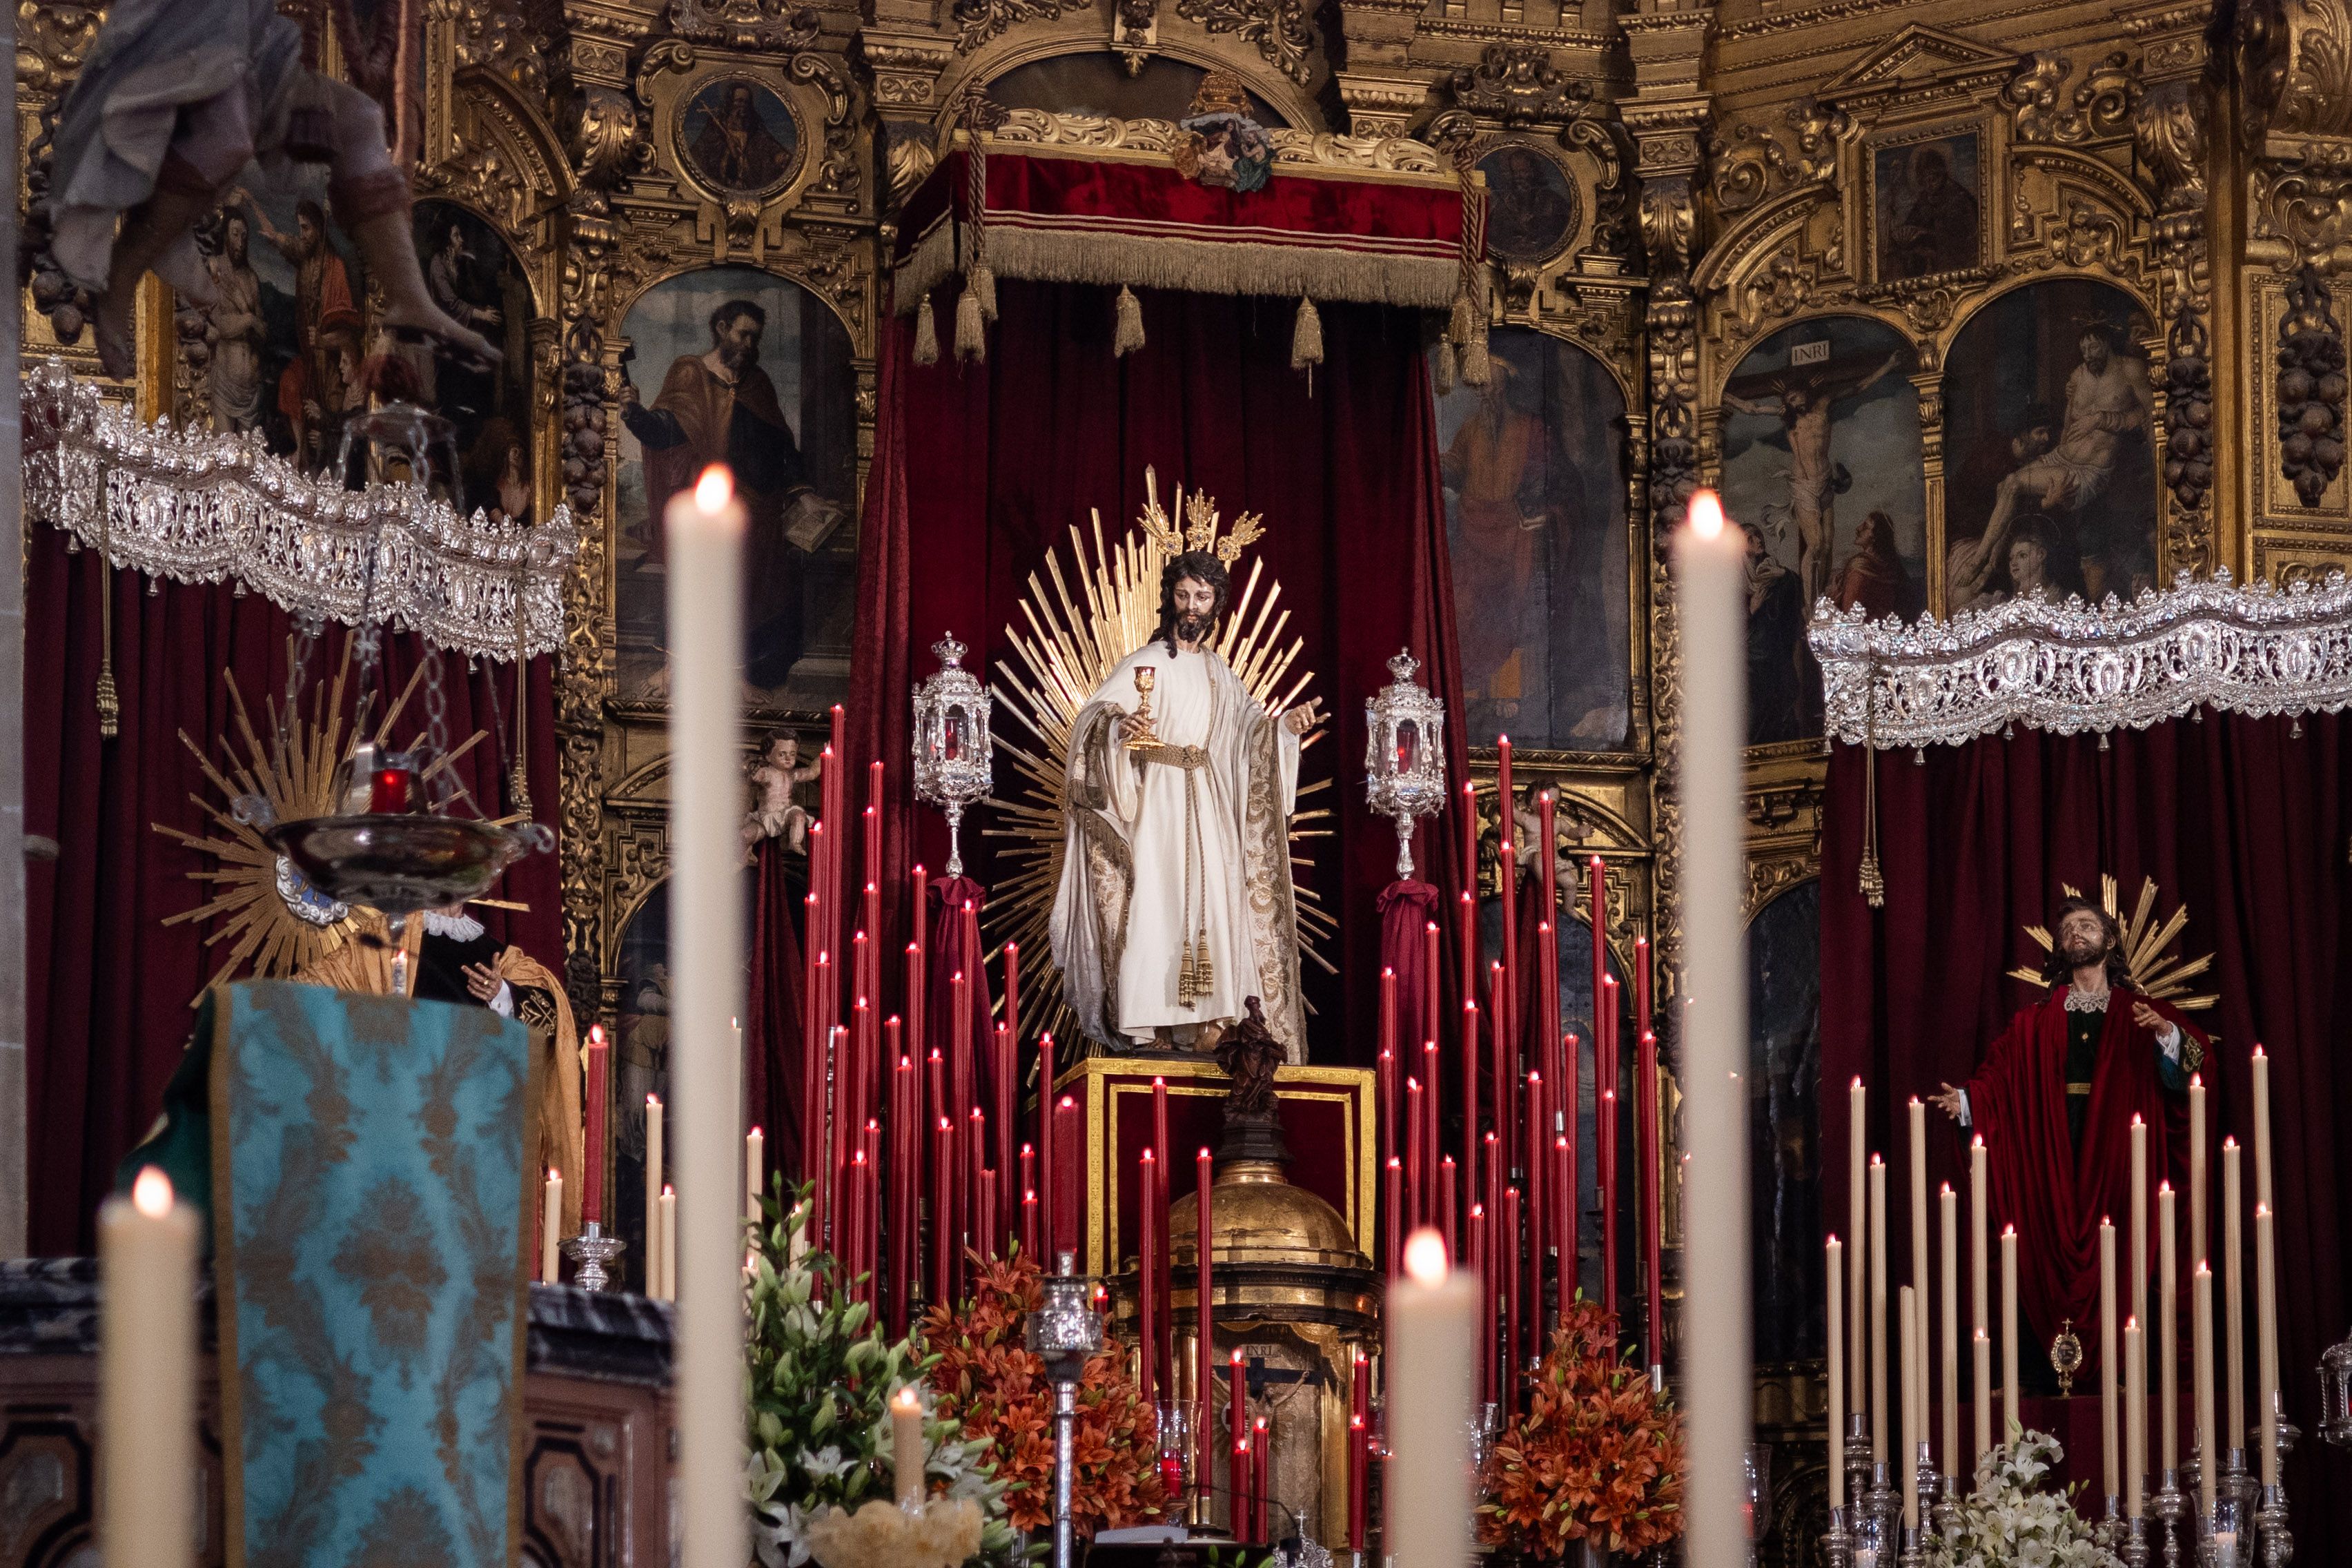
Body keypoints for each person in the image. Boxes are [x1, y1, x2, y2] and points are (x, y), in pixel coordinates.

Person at [43, 0, 496, 378]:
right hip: (200, 25)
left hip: (260, 40)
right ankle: (122, 275)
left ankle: (409, 300)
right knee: (227, 137)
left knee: (359, 121)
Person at [1051, 551, 1318, 1054]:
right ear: (1170, 600)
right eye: (1184, 596)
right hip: (1157, 804)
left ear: (1218, 603)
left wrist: (1284, 728)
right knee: (1155, 903)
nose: (1192, 607)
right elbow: (1094, 717)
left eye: (1203, 597)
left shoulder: (1222, 676)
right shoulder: (1144, 664)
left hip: (1209, 806)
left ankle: (1208, 1022)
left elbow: (1248, 738)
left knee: (1215, 906)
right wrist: (1117, 728)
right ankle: (1146, 1021)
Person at [1928, 897, 2204, 1373]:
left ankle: (2126, 1367)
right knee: (2039, 1255)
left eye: (2088, 926)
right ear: (2058, 947)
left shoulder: (2144, 1013)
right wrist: (1969, 1102)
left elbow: (2196, 1070)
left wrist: (2165, 1033)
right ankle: (2044, 1368)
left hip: (2121, 1159)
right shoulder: (2033, 1022)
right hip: (2051, 1162)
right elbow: (2000, 1077)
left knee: (2131, 1251)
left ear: (2110, 941)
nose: (2077, 933)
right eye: (2069, 929)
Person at [297, 901, 586, 1232]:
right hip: (395, 1132)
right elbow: (306, 995)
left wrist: (502, 993)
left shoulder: (500, 958)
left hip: (473, 1144)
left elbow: (551, 1022)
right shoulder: (382, 944)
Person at [1972, 323, 2153, 596]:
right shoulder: (2079, 376)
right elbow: (2069, 428)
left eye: (2093, 347)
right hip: (2063, 458)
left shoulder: (2130, 370)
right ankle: (1988, 562)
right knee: (2006, 485)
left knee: (2014, 485)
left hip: (2090, 470)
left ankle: (1981, 562)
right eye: (2083, 350)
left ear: (2106, 343)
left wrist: (2102, 419)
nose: (2088, 355)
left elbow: (2148, 416)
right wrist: (2056, 456)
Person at [1721, 348, 1907, 608]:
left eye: (1796, 397)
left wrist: (1888, 365)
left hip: (1825, 484)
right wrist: (1723, 393)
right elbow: (1751, 408)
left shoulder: (1824, 405)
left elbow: (1857, 387)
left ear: (1805, 393)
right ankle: (1810, 606)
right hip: (1804, 487)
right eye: (1789, 400)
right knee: (1816, 544)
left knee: (1829, 545)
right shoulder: (1788, 419)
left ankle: (1822, 601)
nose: (1793, 403)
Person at [204, 209, 270, 432]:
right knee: (224, 456)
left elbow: (263, 332)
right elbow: (218, 325)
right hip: (224, 382)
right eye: (235, 234)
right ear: (225, 236)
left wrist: (252, 322)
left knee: (250, 460)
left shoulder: (251, 278)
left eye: (244, 236)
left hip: (250, 388)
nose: (240, 242)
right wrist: (249, 319)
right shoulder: (215, 269)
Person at [1884, 145, 1979, 280]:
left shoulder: (1958, 198)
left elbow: (1961, 237)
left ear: (1942, 175)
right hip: (1928, 258)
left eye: (1933, 179)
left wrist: (1926, 234)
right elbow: (1910, 228)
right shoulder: (1924, 199)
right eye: (1924, 180)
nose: (1929, 184)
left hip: (1956, 260)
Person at [689, 83, 793, 190]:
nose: (742, 106)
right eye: (739, 101)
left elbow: (768, 144)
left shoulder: (755, 126)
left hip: (750, 182)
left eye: (746, 102)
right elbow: (701, 149)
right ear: (730, 102)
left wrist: (779, 155)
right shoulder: (717, 126)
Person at [1826, 509, 1921, 621]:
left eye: (1866, 527)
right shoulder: (1893, 567)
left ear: (1876, 536)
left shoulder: (1860, 567)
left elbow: (1849, 614)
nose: (1858, 529)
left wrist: (1834, 596)